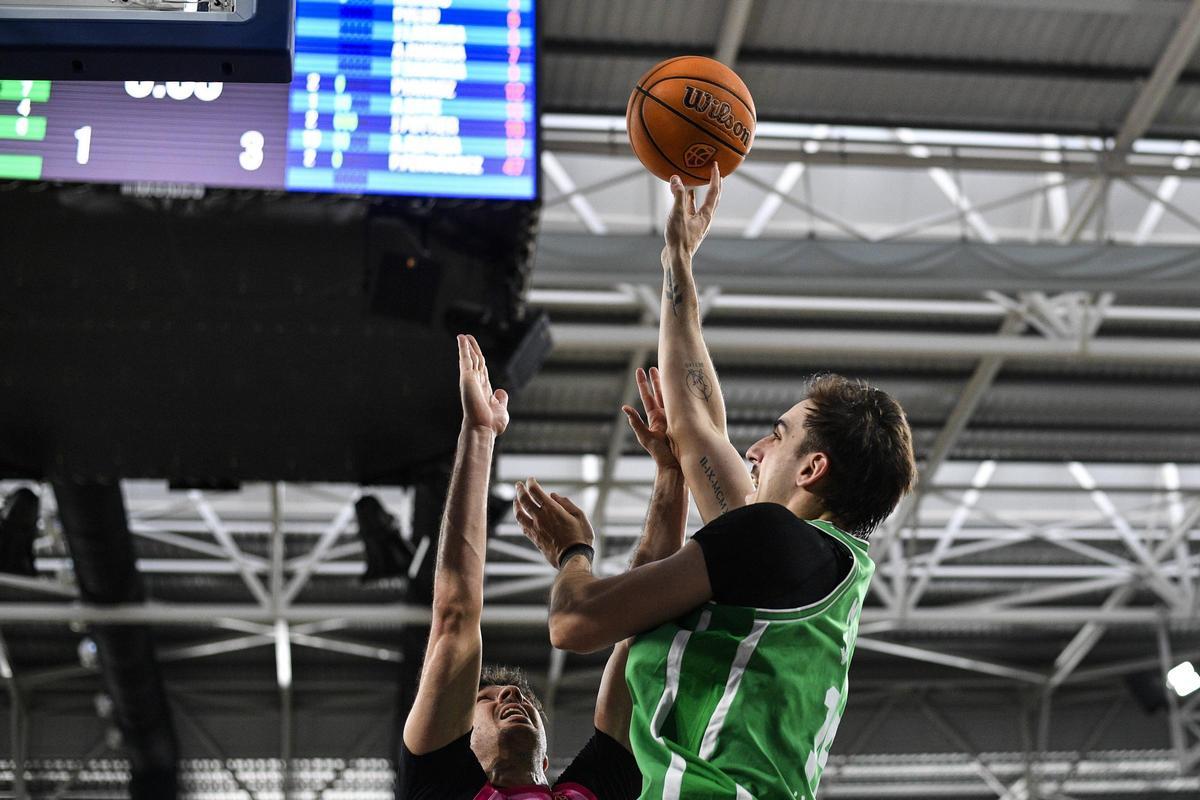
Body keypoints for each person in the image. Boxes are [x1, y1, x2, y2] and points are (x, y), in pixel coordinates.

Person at [513, 165, 917, 800]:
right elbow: (696, 422)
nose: (754, 449)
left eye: (777, 437)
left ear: (812, 470)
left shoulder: (775, 542)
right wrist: (678, 262)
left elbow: (575, 623)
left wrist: (572, 554)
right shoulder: (813, 565)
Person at [400, 334, 685, 800]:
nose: (510, 697)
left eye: (513, 698)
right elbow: (455, 615)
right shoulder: (442, 788)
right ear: (457, 738)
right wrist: (477, 434)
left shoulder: (585, 793)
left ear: (548, 759)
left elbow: (642, 632)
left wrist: (673, 472)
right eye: (486, 701)